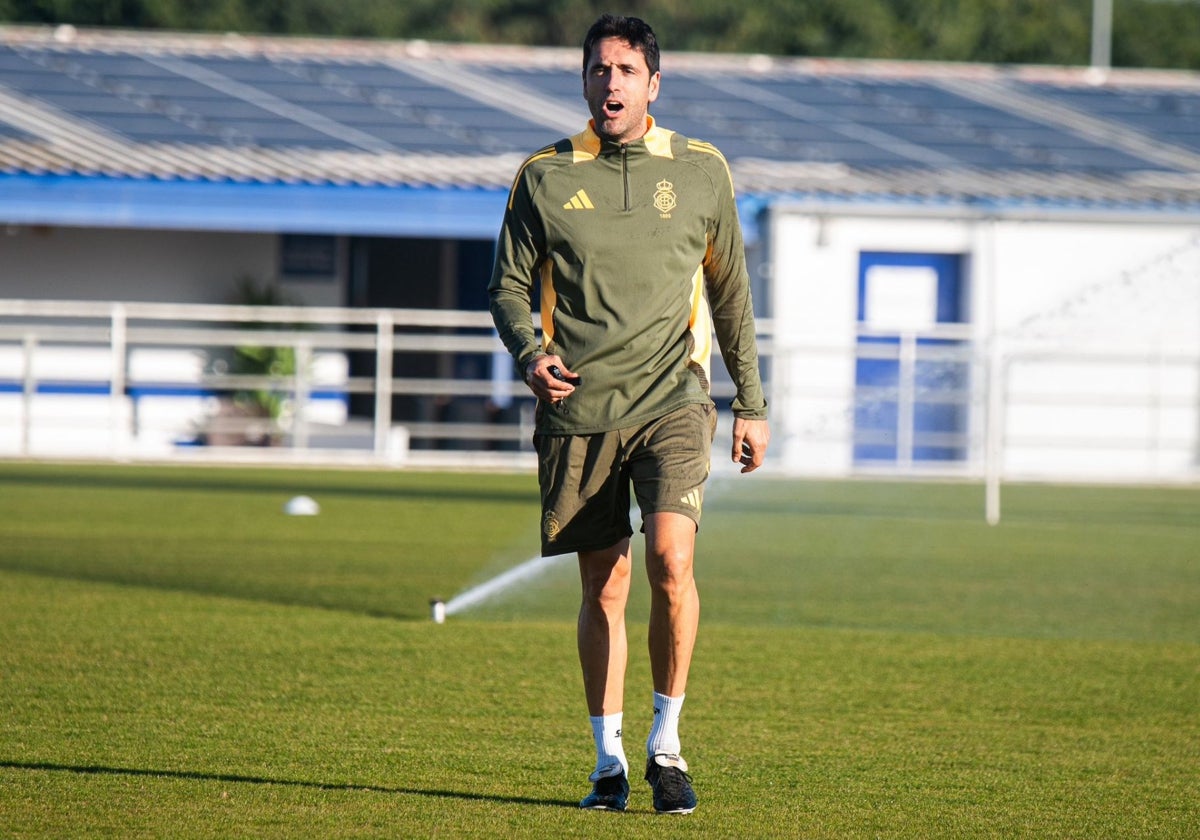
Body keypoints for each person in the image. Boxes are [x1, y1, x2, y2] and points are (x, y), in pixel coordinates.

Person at [488, 13, 769, 815]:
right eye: (598, 69)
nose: (611, 83)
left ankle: (667, 746)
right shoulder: (542, 174)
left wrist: (751, 402)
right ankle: (607, 762)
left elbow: (730, 294)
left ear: (654, 82)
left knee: (672, 564)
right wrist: (531, 353)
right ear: (583, 81)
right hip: (579, 408)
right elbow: (506, 287)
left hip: (675, 395)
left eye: (625, 70)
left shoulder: (704, 171)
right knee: (604, 586)